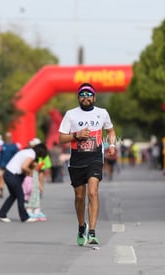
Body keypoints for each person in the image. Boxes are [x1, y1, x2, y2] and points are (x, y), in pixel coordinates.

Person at [58, 82, 116, 246]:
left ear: (94, 97)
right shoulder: (71, 115)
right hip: (76, 159)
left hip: (95, 158)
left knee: (92, 192)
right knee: (79, 196)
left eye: (88, 94)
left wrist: (111, 145)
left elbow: (110, 131)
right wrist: (76, 135)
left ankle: (92, 232)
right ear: (78, 98)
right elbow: (61, 138)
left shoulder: (102, 113)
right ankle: (81, 226)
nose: (85, 97)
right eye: (82, 95)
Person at [0, 143, 48, 223]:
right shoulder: (32, 155)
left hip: (8, 173)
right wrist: (31, 172)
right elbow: (24, 167)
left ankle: (2, 214)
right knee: (21, 196)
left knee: (13, 195)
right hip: (12, 175)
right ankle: (24, 217)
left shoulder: (28, 151)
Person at [0, 132, 19, 198]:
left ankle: (13, 191)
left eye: (9, 137)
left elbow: (17, 156)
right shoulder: (3, 145)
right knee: (1, 176)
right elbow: (0, 155)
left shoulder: (14, 146)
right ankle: (1, 189)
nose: (8, 138)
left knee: (11, 179)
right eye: (7, 137)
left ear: (11, 137)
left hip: (11, 165)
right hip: (3, 164)